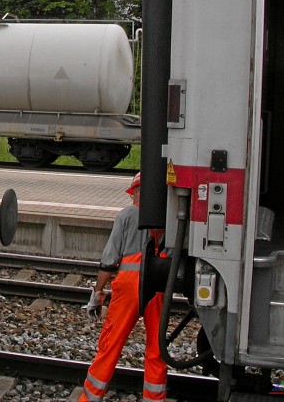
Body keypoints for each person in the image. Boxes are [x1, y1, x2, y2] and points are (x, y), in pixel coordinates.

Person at [80, 172, 167, 402]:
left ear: (137, 191)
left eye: (133, 193)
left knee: (111, 344)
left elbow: (109, 260)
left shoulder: (126, 215)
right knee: (156, 349)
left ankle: (89, 399)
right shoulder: (166, 217)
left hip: (129, 285)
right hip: (157, 284)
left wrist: (97, 292)